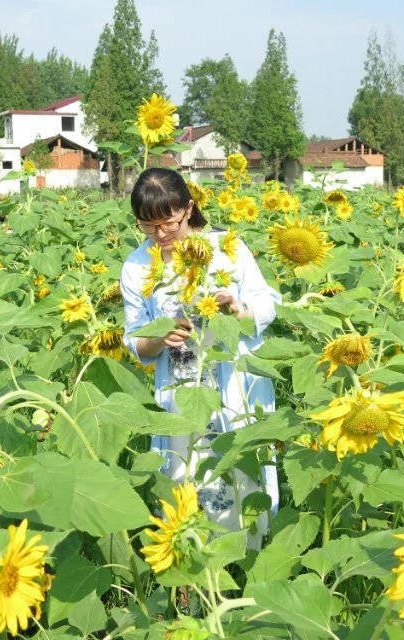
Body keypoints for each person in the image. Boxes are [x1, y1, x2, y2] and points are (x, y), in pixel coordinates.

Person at [120, 167, 280, 541]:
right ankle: (193, 583)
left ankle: (247, 566)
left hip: (234, 388)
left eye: (169, 225)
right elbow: (136, 342)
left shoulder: (227, 248)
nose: (161, 236)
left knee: (241, 475)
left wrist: (235, 309)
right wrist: (161, 336)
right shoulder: (137, 265)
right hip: (181, 396)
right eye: (149, 226)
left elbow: (267, 304)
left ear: (188, 209)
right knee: (183, 482)